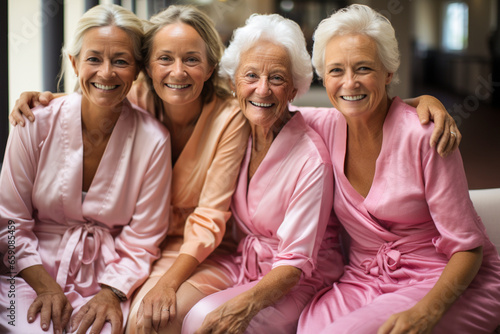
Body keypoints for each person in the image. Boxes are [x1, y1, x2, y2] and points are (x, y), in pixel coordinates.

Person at [7, 5, 251, 333]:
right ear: (148, 68)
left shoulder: (185, 127)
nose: (177, 71)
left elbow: (173, 229)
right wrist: (44, 102)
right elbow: (99, 93)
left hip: (158, 257)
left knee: (145, 320)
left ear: (210, 67)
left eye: (191, 59)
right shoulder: (41, 120)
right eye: (165, 58)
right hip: (32, 269)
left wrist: (117, 290)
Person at [297, 5, 500, 334]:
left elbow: (468, 248)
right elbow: (265, 105)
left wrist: (427, 311)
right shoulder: (324, 125)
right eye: (336, 70)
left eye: (363, 68)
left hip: (445, 280)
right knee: (309, 329)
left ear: (388, 73)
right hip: (364, 279)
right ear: (323, 76)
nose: (349, 83)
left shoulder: (426, 136)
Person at [0, 4, 172, 334]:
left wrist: (110, 293)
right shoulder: (33, 122)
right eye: (94, 59)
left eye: (120, 61)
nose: (106, 72)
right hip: (25, 273)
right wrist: (46, 287)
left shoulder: (154, 140)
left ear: (136, 70)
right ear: (74, 62)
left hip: (108, 276)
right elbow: (10, 223)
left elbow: (144, 239)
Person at [181, 13, 344, 334]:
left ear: (295, 89)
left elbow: (295, 263)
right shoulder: (236, 132)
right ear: (233, 83)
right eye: (251, 76)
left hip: (297, 278)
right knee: (171, 310)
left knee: (205, 322)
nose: (263, 90)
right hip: (244, 264)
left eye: (278, 79)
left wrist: (241, 307)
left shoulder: (312, 158)